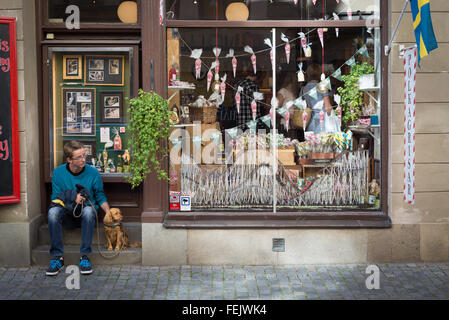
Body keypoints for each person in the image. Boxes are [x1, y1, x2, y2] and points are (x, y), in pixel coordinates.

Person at [46, 140, 111, 276]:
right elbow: (55, 198)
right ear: (69, 159)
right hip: (66, 212)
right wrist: (73, 198)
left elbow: (100, 196)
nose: (83, 159)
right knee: (52, 213)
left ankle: (85, 257)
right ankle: (57, 258)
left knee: (88, 211)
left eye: (84, 155)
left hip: (86, 211)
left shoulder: (93, 172)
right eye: (79, 157)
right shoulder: (58, 172)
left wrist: (108, 212)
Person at [301, 64, 333, 134]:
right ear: (319, 74)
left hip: (309, 121)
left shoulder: (303, 89)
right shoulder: (322, 86)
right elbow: (328, 107)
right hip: (322, 121)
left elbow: (301, 106)